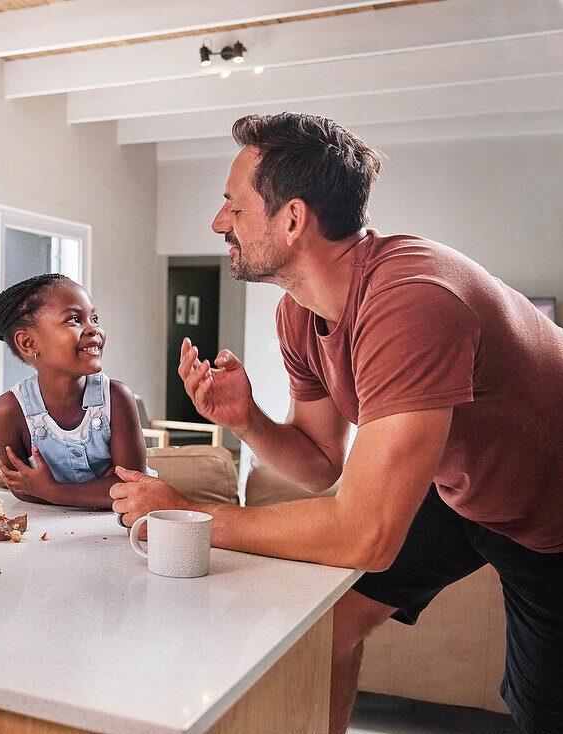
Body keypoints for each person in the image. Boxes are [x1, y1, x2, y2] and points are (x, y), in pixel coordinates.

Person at [108, 113, 563, 734]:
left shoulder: (413, 301)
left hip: (552, 510)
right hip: (465, 491)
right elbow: (324, 461)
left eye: (233, 208)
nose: (220, 224)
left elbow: (364, 536)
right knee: (328, 625)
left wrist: (190, 517)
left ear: (293, 219)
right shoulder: (300, 312)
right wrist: (247, 420)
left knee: (544, 710)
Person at [0, 273, 151, 509]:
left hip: (120, 527)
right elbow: (23, 491)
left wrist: (54, 491)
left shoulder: (117, 398)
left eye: (94, 318)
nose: (93, 329)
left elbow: (133, 487)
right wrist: (102, 488)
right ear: (29, 343)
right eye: (74, 320)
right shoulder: (8, 411)